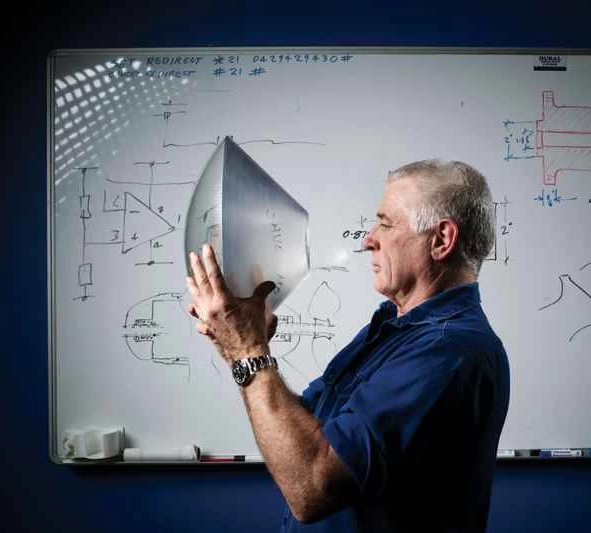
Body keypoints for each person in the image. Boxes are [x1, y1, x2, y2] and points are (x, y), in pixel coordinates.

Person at [186, 159, 510, 532]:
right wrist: (240, 349)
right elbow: (305, 430)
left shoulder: (448, 350)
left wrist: (247, 350)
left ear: (441, 240)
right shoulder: (393, 327)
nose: (368, 239)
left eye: (385, 224)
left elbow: (311, 485)